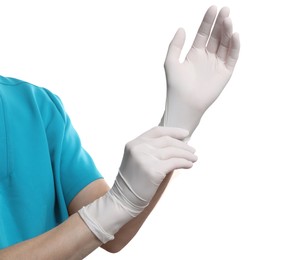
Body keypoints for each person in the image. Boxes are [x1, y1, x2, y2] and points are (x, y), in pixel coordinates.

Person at [0, 5, 240, 259]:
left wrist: (176, 123)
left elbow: (113, 233)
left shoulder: (35, 106)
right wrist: (110, 209)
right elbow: (100, 217)